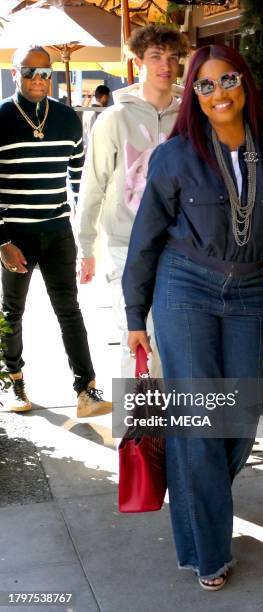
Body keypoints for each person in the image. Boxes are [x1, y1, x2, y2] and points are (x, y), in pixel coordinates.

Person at [122, 45, 263, 590]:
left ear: (244, 83)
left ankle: (196, 495)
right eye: (203, 86)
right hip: (185, 286)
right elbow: (146, 239)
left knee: (240, 414)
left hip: (249, 289)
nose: (218, 94)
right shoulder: (176, 155)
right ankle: (209, 550)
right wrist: (136, 313)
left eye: (226, 80)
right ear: (193, 95)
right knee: (200, 422)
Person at [0, 45, 111, 418]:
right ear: (15, 74)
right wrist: (2, 242)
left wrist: (87, 239)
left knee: (70, 311)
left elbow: (80, 183)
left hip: (59, 232)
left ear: (53, 75)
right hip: (15, 236)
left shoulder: (67, 119)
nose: (37, 79)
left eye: (44, 72)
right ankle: (13, 381)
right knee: (12, 312)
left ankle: (86, 390)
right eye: (29, 72)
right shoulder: (1, 117)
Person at [76, 24, 189, 378]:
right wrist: (86, 246)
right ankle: (137, 429)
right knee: (135, 333)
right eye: (156, 56)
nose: (165, 65)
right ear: (137, 61)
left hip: (180, 244)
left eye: (172, 57)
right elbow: (92, 183)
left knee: (173, 339)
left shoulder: (191, 117)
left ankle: (168, 429)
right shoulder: (114, 118)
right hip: (126, 243)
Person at [82, 85, 111, 153]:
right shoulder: (102, 112)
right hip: (98, 149)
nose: (108, 100)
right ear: (104, 97)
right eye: (108, 98)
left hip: (87, 149)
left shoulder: (86, 111)